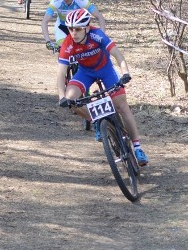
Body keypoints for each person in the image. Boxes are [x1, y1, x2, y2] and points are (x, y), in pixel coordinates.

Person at [56, 9, 148, 166]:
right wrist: (61, 97)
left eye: (78, 29)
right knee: (72, 101)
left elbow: (118, 55)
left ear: (87, 27)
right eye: (71, 29)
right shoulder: (67, 44)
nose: (74, 33)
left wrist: (125, 73)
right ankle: (97, 118)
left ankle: (138, 147)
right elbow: (61, 74)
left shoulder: (96, 34)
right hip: (85, 73)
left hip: (105, 69)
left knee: (122, 107)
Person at [42, 0, 106, 51]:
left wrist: (102, 35)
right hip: (61, 27)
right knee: (63, 48)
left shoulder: (81, 1)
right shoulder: (56, 2)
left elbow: (99, 17)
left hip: (78, 28)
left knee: (82, 49)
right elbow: (45, 21)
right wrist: (48, 41)